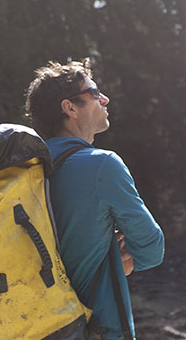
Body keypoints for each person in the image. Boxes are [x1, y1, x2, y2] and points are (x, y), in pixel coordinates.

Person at [25, 59, 165, 340]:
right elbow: (151, 248)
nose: (105, 98)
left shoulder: (25, 173)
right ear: (70, 108)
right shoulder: (102, 165)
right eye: (94, 92)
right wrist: (122, 259)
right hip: (99, 329)